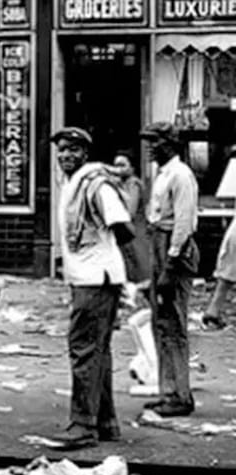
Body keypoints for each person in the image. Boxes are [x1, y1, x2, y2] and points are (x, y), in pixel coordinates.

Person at [46, 127, 134, 450]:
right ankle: (105, 422)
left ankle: (82, 425)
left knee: (84, 350)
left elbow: (122, 226)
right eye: (62, 150)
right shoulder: (74, 184)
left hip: (96, 279)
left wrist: (106, 257)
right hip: (90, 277)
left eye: (73, 150)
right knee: (98, 351)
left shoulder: (95, 184)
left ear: (85, 153)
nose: (66, 155)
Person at [141, 122, 199, 417]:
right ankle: (169, 390)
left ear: (171, 144)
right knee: (161, 322)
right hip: (159, 244)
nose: (151, 147)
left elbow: (184, 223)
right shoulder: (162, 174)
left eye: (156, 141)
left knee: (174, 323)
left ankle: (180, 394)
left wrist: (170, 266)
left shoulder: (181, 175)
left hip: (174, 248)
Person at [111, 151, 152, 305]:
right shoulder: (118, 184)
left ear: (132, 168)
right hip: (125, 231)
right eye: (115, 165)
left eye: (122, 165)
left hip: (135, 231)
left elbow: (130, 211)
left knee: (140, 268)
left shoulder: (133, 184)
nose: (118, 169)